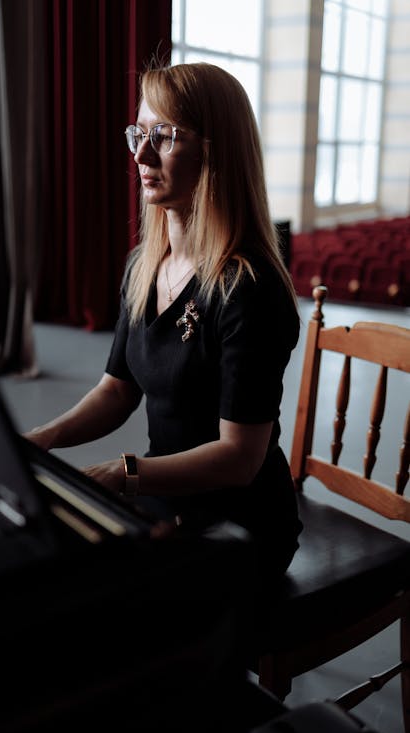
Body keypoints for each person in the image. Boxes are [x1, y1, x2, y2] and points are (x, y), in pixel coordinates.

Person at [25, 62, 303, 577]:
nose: (140, 154)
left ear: (215, 152)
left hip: (241, 527)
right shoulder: (143, 265)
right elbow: (117, 390)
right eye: (138, 133)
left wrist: (123, 473)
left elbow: (240, 458)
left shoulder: (249, 288)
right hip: (168, 499)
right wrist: (43, 437)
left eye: (164, 136)